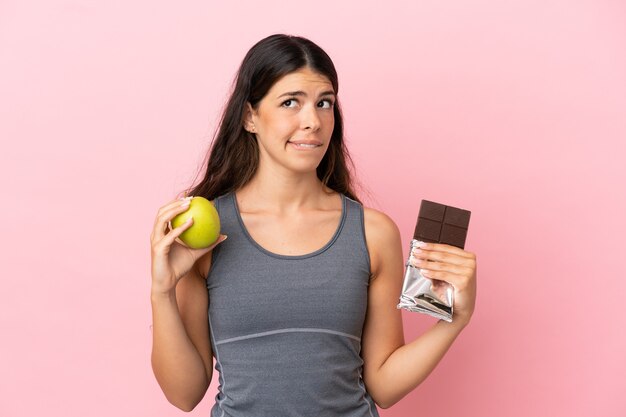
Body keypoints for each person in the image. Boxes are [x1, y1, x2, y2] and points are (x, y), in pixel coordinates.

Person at [149, 33, 477, 416]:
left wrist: (455, 320)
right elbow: (184, 394)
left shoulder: (373, 233)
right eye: (291, 102)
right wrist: (162, 291)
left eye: (325, 104)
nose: (314, 121)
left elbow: (384, 386)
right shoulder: (205, 234)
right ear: (250, 116)